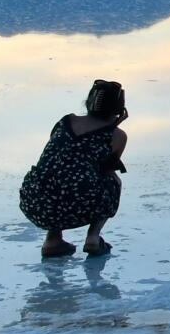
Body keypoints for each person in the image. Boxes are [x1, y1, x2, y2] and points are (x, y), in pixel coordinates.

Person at [20, 80, 129, 259]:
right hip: (76, 201)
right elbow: (108, 168)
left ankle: (52, 239)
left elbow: (59, 157)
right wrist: (114, 125)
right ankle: (93, 237)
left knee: (58, 176)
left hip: (36, 201)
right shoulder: (116, 135)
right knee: (112, 181)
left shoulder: (66, 121)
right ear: (119, 109)